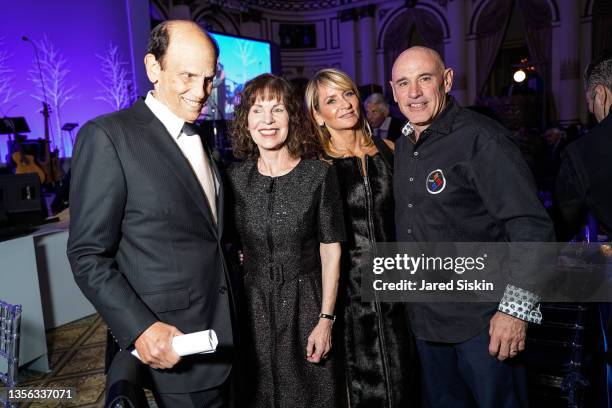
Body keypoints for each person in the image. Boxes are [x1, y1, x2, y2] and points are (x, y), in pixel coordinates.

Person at [67, 20, 233, 407]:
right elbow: (87, 255)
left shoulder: (202, 137)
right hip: (171, 344)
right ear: (153, 68)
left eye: (208, 78)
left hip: (224, 333)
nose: (201, 92)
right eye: (187, 76)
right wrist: (141, 328)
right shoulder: (107, 136)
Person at [390, 46, 554, 407]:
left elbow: (532, 228)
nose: (413, 92)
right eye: (403, 83)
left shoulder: (482, 139)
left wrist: (515, 312)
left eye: (424, 79)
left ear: (447, 80)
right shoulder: (404, 145)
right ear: (393, 90)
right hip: (426, 324)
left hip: (483, 324)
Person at [226, 73, 345, 408]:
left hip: (306, 305)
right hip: (252, 311)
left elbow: (331, 251)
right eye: (257, 110)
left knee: (311, 394)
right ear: (245, 121)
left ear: (291, 118)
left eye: (277, 110)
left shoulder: (317, 175)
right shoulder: (234, 179)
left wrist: (325, 320)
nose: (267, 120)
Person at [305, 68, 419, 407]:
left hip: (400, 295)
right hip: (346, 299)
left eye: (348, 94)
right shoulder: (315, 167)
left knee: (406, 385)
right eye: (330, 100)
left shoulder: (389, 151)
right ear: (318, 115)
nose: (344, 104)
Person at [556, 51, 612, 239]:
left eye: (590, 101)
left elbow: (563, 222)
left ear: (601, 93)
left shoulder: (582, 152)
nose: (590, 110)